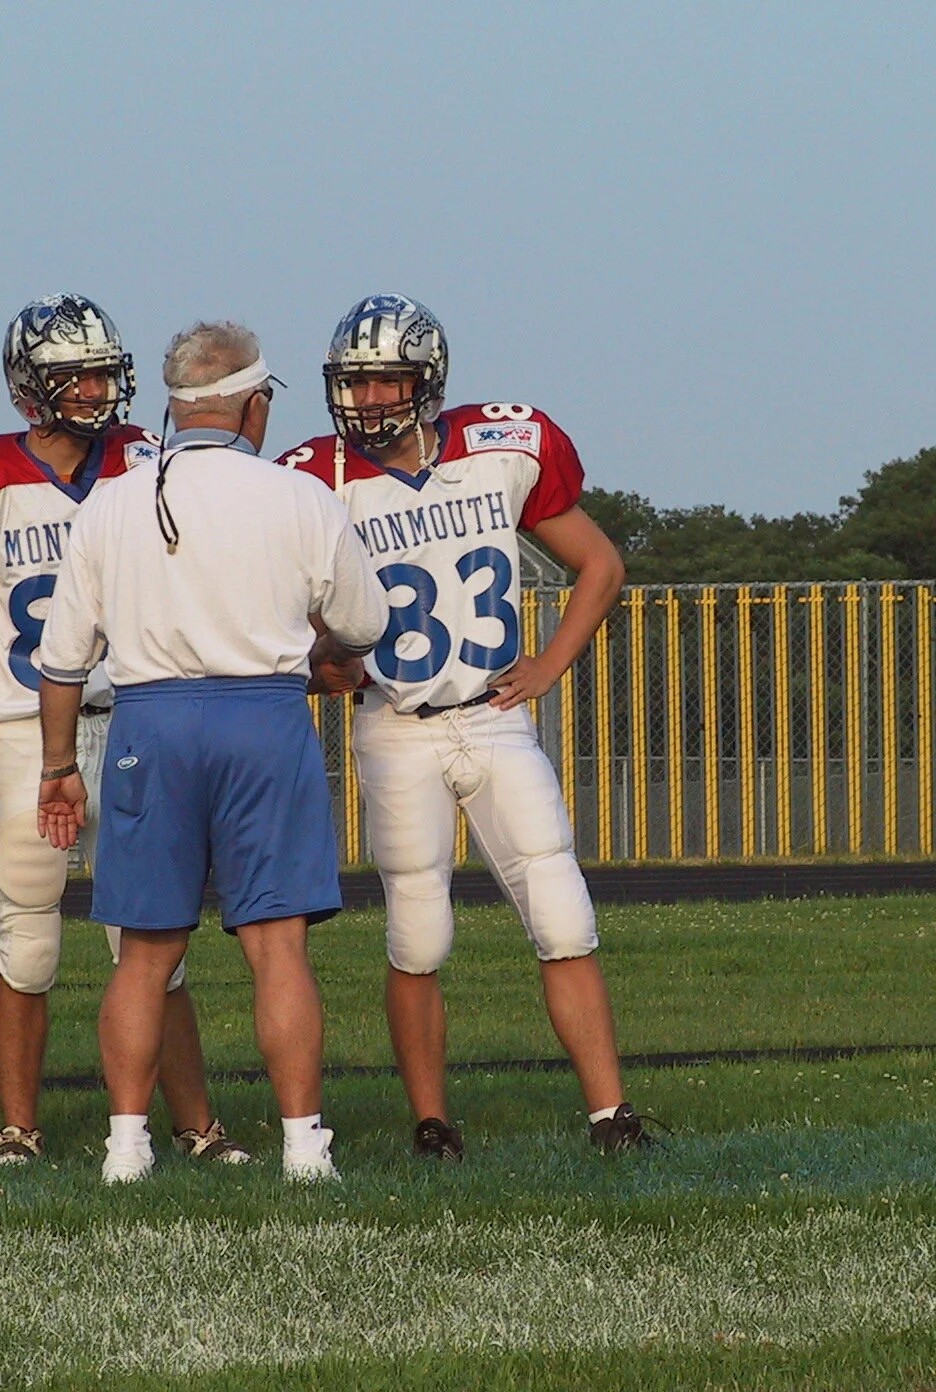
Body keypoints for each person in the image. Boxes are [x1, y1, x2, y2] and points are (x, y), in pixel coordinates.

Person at [279, 293, 653, 1158]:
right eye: (356, 382)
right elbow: (280, 608)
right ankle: (432, 1123)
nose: (371, 399)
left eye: (389, 380)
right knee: (418, 934)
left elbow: (600, 564)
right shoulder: (314, 477)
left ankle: (612, 1118)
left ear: (428, 380)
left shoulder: (501, 448)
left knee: (563, 917)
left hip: (493, 716)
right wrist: (319, 659)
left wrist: (550, 664)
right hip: (396, 725)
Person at [0, 294, 249, 1167]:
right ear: (29, 388)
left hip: (131, 718)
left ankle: (197, 1126)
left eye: (101, 373)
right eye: (75, 377)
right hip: (23, 725)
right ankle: (18, 1129)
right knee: (26, 940)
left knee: (154, 941)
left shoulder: (147, 464)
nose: (96, 391)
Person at [36, 321, 386, 1183]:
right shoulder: (299, 495)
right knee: (278, 947)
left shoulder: (115, 500)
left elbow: (62, 660)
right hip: (264, 718)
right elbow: (364, 622)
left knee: (145, 954)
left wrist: (57, 767)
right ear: (253, 404)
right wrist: (321, 651)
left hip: (150, 722)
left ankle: (127, 1148)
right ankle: (304, 1147)